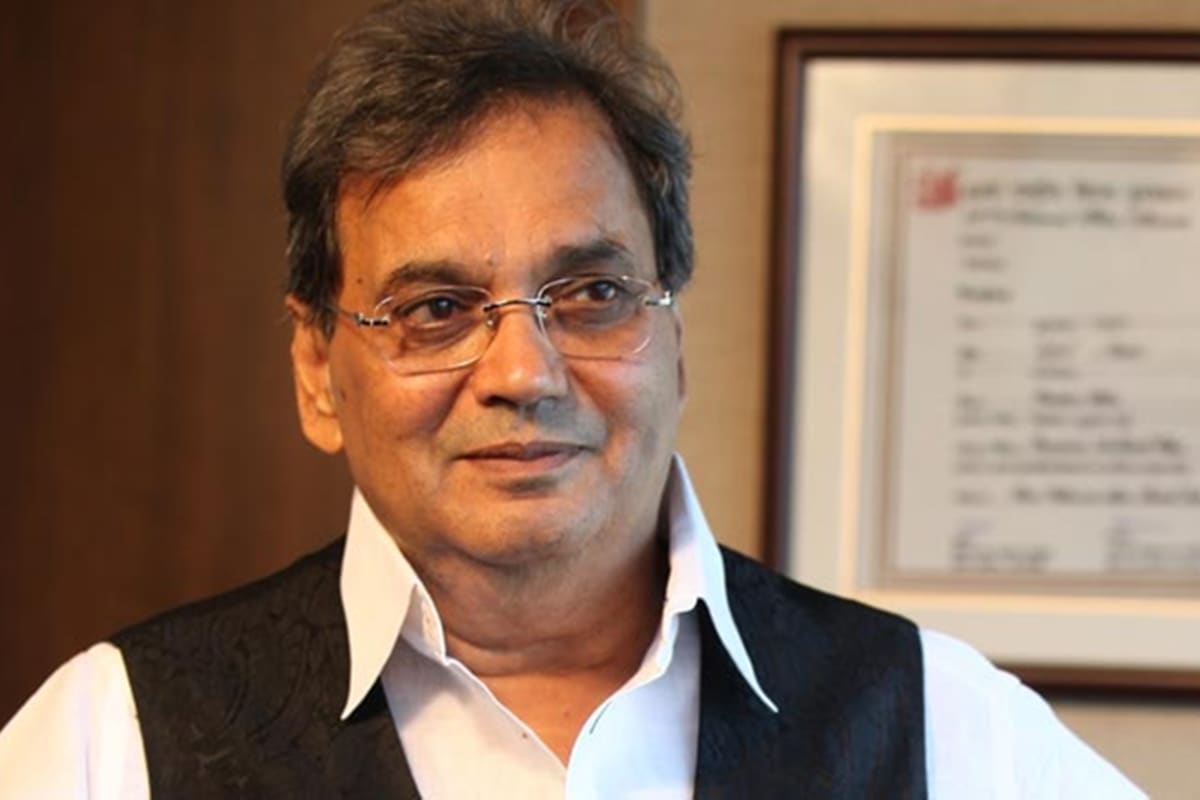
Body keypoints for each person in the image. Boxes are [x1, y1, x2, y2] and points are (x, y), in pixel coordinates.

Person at [0, 1, 1145, 797]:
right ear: (316, 371)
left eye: (592, 293)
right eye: (436, 308)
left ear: (673, 340)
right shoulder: (115, 738)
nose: (524, 372)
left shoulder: (946, 726)